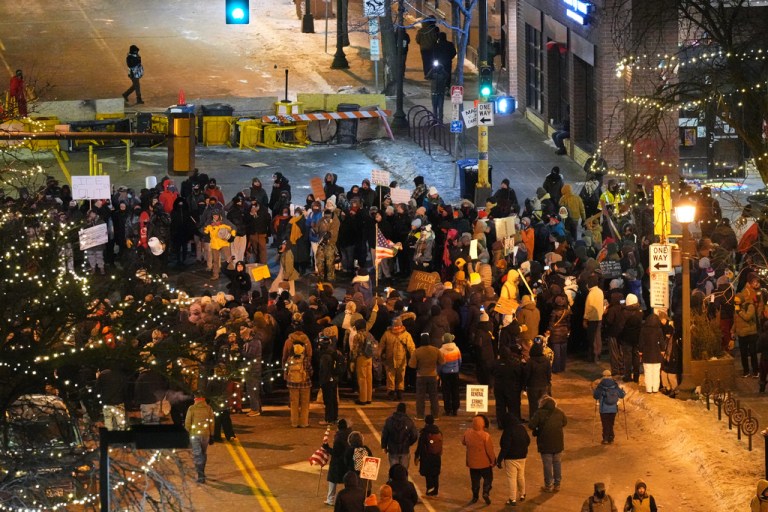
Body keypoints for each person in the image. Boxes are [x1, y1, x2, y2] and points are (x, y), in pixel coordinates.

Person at [529, 395, 567, 493]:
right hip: (558, 443)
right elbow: (565, 423)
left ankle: (548, 485)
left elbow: (531, 425)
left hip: (545, 443)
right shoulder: (560, 412)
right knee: (557, 463)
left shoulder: (539, 413)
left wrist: (538, 428)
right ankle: (557, 484)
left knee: (547, 465)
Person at [496, 413, 530, 507]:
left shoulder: (508, 431)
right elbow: (528, 441)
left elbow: (505, 447)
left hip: (511, 458)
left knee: (512, 478)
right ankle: (522, 494)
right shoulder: (522, 428)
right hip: (522, 456)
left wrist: (499, 460)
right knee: (520, 476)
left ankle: (512, 498)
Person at [408, 333, 444, 420]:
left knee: (420, 397)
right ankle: (435, 415)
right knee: (434, 396)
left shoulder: (417, 351)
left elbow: (411, 365)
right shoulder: (435, 350)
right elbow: (442, 361)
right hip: (432, 375)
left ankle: (420, 415)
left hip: (421, 376)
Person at [462, 414, 496, 505]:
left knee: (475, 481)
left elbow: (463, 442)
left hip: (472, 464)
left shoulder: (467, 433)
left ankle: (475, 497)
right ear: (483, 424)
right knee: (488, 478)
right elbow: (490, 451)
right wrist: (493, 460)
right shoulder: (485, 435)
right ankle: (485, 491)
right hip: (485, 464)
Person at [379, 317, 415, 401]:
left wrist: (379, 354)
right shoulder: (406, 335)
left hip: (392, 359)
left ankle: (394, 392)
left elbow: (381, 346)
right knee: (398, 376)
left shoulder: (387, 334)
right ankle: (398, 392)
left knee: (392, 376)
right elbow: (412, 348)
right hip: (397, 359)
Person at [284, 329, 313, 427]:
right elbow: (310, 370)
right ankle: (304, 422)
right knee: (305, 404)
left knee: (294, 403)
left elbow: (286, 368)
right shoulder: (305, 360)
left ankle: (294, 422)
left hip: (292, 383)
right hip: (305, 383)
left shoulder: (289, 359)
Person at [184, 391, 215, 483]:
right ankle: (202, 472)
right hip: (205, 435)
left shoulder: (191, 408)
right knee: (203, 453)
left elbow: (187, 423)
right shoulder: (208, 408)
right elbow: (212, 423)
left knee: (197, 454)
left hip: (195, 435)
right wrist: (212, 435)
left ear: (195, 398)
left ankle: (200, 475)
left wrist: (187, 433)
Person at [381, 402, 418, 470]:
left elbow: (385, 434)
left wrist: (384, 446)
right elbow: (415, 435)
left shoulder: (389, 420)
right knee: (404, 472)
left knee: (394, 471)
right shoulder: (408, 421)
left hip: (392, 449)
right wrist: (409, 443)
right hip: (404, 450)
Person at [324, 419, 353, 507]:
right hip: (347, 461)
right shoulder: (350, 435)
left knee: (332, 481)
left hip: (337, 463)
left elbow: (335, 452)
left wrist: (326, 448)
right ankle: (348, 499)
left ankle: (330, 499)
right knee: (347, 481)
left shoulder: (338, 437)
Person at [593, 369, 625, 444]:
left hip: (603, 409)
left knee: (605, 424)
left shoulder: (600, 385)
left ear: (603, 376)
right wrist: (622, 391)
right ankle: (611, 437)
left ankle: (606, 438)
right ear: (610, 376)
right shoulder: (615, 385)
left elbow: (596, 396)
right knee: (611, 423)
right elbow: (621, 395)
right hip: (613, 408)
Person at [318, 336, 343, 426]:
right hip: (334, 378)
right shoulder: (334, 352)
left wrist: (322, 382)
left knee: (328, 400)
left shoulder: (325, 355)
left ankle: (328, 419)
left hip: (327, 379)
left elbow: (324, 370)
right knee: (333, 399)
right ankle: (334, 418)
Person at [414, 415, 442, 496]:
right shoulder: (438, 432)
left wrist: (417, 456)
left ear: (425, 422)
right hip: (437, 456)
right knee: (435, 473)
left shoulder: (424, 432)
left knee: (428, 473)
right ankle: (436, 490)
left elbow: (420, 446)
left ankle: (430, 489)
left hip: (427, 457)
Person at [638, 311, 665, 393]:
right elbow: (662, 342)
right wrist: (662, 350)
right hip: (657, 355)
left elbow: (641, 341)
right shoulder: (659, 330)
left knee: (648, 372)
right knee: (656, 373)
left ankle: (649, 389)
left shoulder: (643, 330)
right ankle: (655, 389)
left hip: (647, 355)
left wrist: (640, 351)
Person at [438, 333, 462, 416]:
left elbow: (440, 364)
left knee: (446, 392)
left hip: (445, 373)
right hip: (455, 373)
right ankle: (455, 409)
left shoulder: (441, 351)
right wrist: (456, 368)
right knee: (455, 391)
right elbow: (460, 361)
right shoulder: (457, 349)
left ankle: (447, 409)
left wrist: (439, 373)